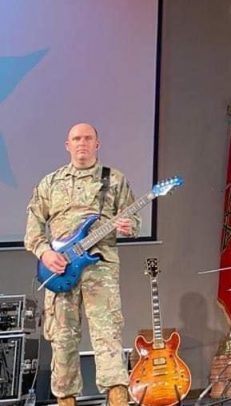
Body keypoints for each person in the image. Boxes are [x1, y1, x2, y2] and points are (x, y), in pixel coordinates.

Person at [25, 123, 139, 406]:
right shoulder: (50, 183)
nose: (82, 143)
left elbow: (133, 220)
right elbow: (33, 229)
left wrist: (129, 226)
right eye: (76, 139)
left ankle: (117, 399)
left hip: (100, 270)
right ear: (68, 145)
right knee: (63, 340)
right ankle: (65, 400)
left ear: (97, 144)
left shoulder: (114, 180)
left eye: (88, 138)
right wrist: (45, 253)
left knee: (108, 336)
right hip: (60, 269)